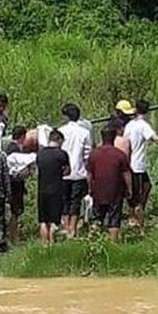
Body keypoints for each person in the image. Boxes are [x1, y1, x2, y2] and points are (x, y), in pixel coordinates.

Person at [123, 99, 158, 229]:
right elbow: (154, 138)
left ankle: (134, 214)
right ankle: (135, 218)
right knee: (139, 191)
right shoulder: (143, 125)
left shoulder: (130, 124)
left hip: (130, 161)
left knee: (143, 187)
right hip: (137, 164)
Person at [87, 127, 132, 242]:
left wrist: (90, 188)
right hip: (115, 191)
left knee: (96, 217)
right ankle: (113, 242)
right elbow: (126, 174)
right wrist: (129, 189)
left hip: (98, 191)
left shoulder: (94, 154)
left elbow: (89, 174)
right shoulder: (120, 155)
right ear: (114, 138)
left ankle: (93, 241)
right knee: (114, 218)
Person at [59, 103, 92, 238]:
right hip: (79, 172)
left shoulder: (61, 131)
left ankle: (66, 227)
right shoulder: (84, 132)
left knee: (65, 200)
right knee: (76, 201)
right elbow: (87, 154)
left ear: (66, 116)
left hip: (63, 173)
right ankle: (73, 229)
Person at [36, 129, 70, 245]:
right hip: (56, 189)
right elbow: (67, 171)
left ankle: (44, 244)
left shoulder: (40, 153)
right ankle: (52, 243)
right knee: (54, 220)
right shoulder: (61, 154)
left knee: (43, 221)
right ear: (59, 140)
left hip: (41, 189)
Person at [6, 125, 34, 243]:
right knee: (15, 212)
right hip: (15, 184)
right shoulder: (15, 150)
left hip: (12, 184)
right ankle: (14, 236)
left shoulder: (9, 147)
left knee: (15, 211)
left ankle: (13, 234)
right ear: (22, 136)